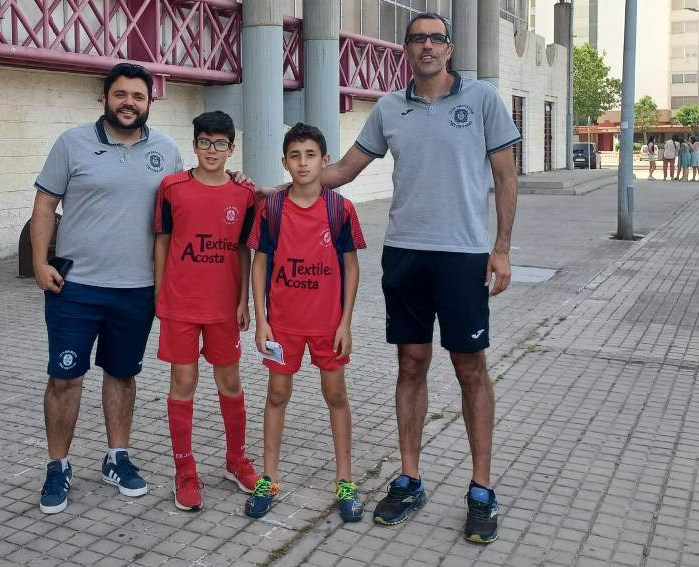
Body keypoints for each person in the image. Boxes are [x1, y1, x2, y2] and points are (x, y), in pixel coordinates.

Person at [311, 12, 519, 543]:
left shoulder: (482, 102)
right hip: (405, 254)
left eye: (435, 38)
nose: (426, 46)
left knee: (470, 366)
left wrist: (501, 249)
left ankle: (481, 489)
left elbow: (505, 174)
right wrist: (282, 186)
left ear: (449, 49)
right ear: (406, 49)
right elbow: (345, 170)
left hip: (464, 255)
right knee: (411, 362)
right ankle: (409, 478)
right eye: (416, 38)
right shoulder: (389, 108)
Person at [30, 63, 184, 514]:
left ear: (150, 101)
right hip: (74, 286)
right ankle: (57, 465)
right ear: (104, 98)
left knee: (122, 374)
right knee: (64, 378)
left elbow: (189, 198)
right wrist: (40, 263)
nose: (129, 103)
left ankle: (117, 457)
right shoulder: (72, 143)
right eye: (120, 94)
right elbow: (44, 203)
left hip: (137, 288)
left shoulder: (167, 150)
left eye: (138, 96)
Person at [244, 123, 367, 523]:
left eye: (310, 155)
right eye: (294, 156)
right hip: (284, 326)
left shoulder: (339, 209)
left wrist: (345, 322)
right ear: (284, 162)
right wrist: (261, 320)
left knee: (336, 396)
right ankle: (270, 477)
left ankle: (345, 480)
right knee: (277, 395)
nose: (302, 163)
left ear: (324, 160)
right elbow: (259, 263)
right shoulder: (272, 209)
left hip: (327, 325)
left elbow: (351, 267)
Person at [153, 111, 260, 511]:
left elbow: (244, 249)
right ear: (193, 145)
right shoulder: (171, 187)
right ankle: (185, 470)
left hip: (222, 307)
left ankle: (236, 459)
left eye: (220, 144)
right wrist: (160, 295)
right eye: (204, 142)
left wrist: (243, 300)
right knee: (182, 384)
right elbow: (163, 241)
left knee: (230, 382)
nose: (211, 150)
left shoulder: (243, 194)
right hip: (180, 304)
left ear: (231, 149)